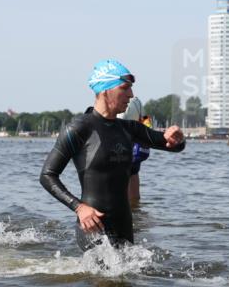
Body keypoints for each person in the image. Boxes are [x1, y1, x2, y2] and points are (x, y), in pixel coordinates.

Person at [40, 59, 185, 251]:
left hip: (124, 224)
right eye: (125, 88)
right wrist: (79, 208)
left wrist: (177, 138)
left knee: (132, 270)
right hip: (92, 225)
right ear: (105, 90)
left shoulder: (130, 128)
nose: (131, 94)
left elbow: (173, 146)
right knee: (102, 271)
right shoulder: (79, 128)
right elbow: (47, 175)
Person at [119, 97, 151, 205]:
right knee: (134, 172)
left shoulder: (116, 100)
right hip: (136, 143)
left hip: (122, 142)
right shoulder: (137, 101)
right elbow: (146, 120)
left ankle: (130, 206)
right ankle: (135, 206)